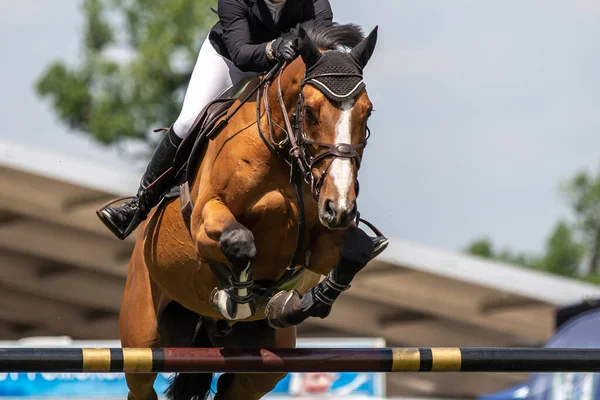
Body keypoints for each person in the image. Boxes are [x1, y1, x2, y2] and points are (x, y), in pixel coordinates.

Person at [98, 0, 334, 240]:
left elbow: (325, 47)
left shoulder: (315, 3)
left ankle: (340, 213)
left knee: (328, 115)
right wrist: (273, 48)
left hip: (284, 70)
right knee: (188, 121)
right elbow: (241, 53)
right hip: (230, 59)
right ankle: (139, 205)